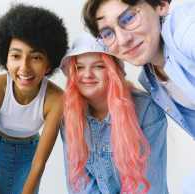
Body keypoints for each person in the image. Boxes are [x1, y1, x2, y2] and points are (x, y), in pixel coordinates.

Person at [0, 4, 68, 194]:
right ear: (5, 59)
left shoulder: (57, 99)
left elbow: (39, 164)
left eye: (36, 58)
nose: (24, 67)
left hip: (30, 156)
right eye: (16, 56)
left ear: (49, 64)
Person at [60, 32, 167, 194]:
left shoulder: (146, 110)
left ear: (114, 72)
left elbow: (150, 185)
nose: (87, 74)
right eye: (79, 67)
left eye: (99, 66)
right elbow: (81, 184)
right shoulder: (70, 116)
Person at [83, 0, 195, 140]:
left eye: (129, 18)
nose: (123, 40)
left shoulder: (181, 28)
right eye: (107, 34)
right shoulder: (149, 80)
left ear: (161, 5)